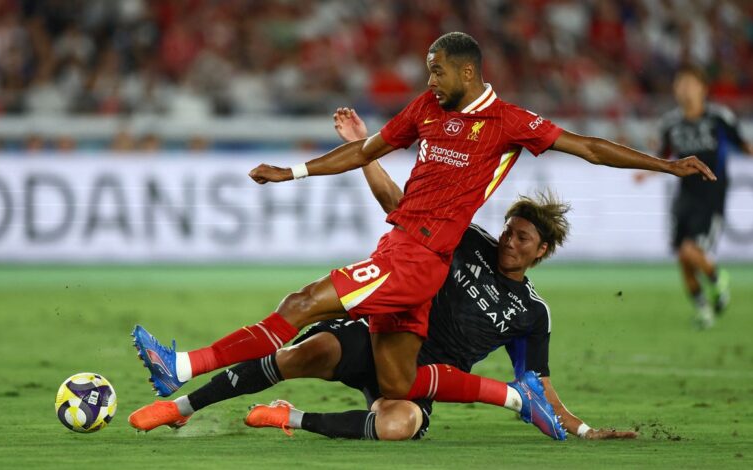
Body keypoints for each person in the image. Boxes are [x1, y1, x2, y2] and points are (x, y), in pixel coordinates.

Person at [131, 32, 714, 426]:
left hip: (418, 259)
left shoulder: (507, 121)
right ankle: (517, 399)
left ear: (468, 71)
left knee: (302, 303)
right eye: (428, 71)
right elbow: (367, 150)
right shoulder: (427, 109)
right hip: (400, 247)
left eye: (438, 70)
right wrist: (294, 172)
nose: (430, 79)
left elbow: (587, 147)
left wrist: (666, 166)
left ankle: (182, 368)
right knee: (397, 383)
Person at [127, 108, 637, 442]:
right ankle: (184, 405)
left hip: (424, 373)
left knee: (400, 424)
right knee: (302, 352)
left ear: (541, 251)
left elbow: (538, 382)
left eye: (522, 238)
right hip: (382, 334)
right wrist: (363, 151)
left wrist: (582, 429)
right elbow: (400, 206)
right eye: (509, 230)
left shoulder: (531, 313)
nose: (509, 241)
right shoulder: (469, 240)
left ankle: (292, 418)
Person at [637, 64, 753, 329]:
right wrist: (647, 173)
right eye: (680, 84)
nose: (685, 89)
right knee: (683, 257)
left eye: (690, 84)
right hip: (684, 196)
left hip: (711, 196)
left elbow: (744, 145)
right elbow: (663, 158)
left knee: (692, 251)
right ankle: (703, 309)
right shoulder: (670, 124)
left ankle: (717, 278)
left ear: (703, 89)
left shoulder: (719, 118)